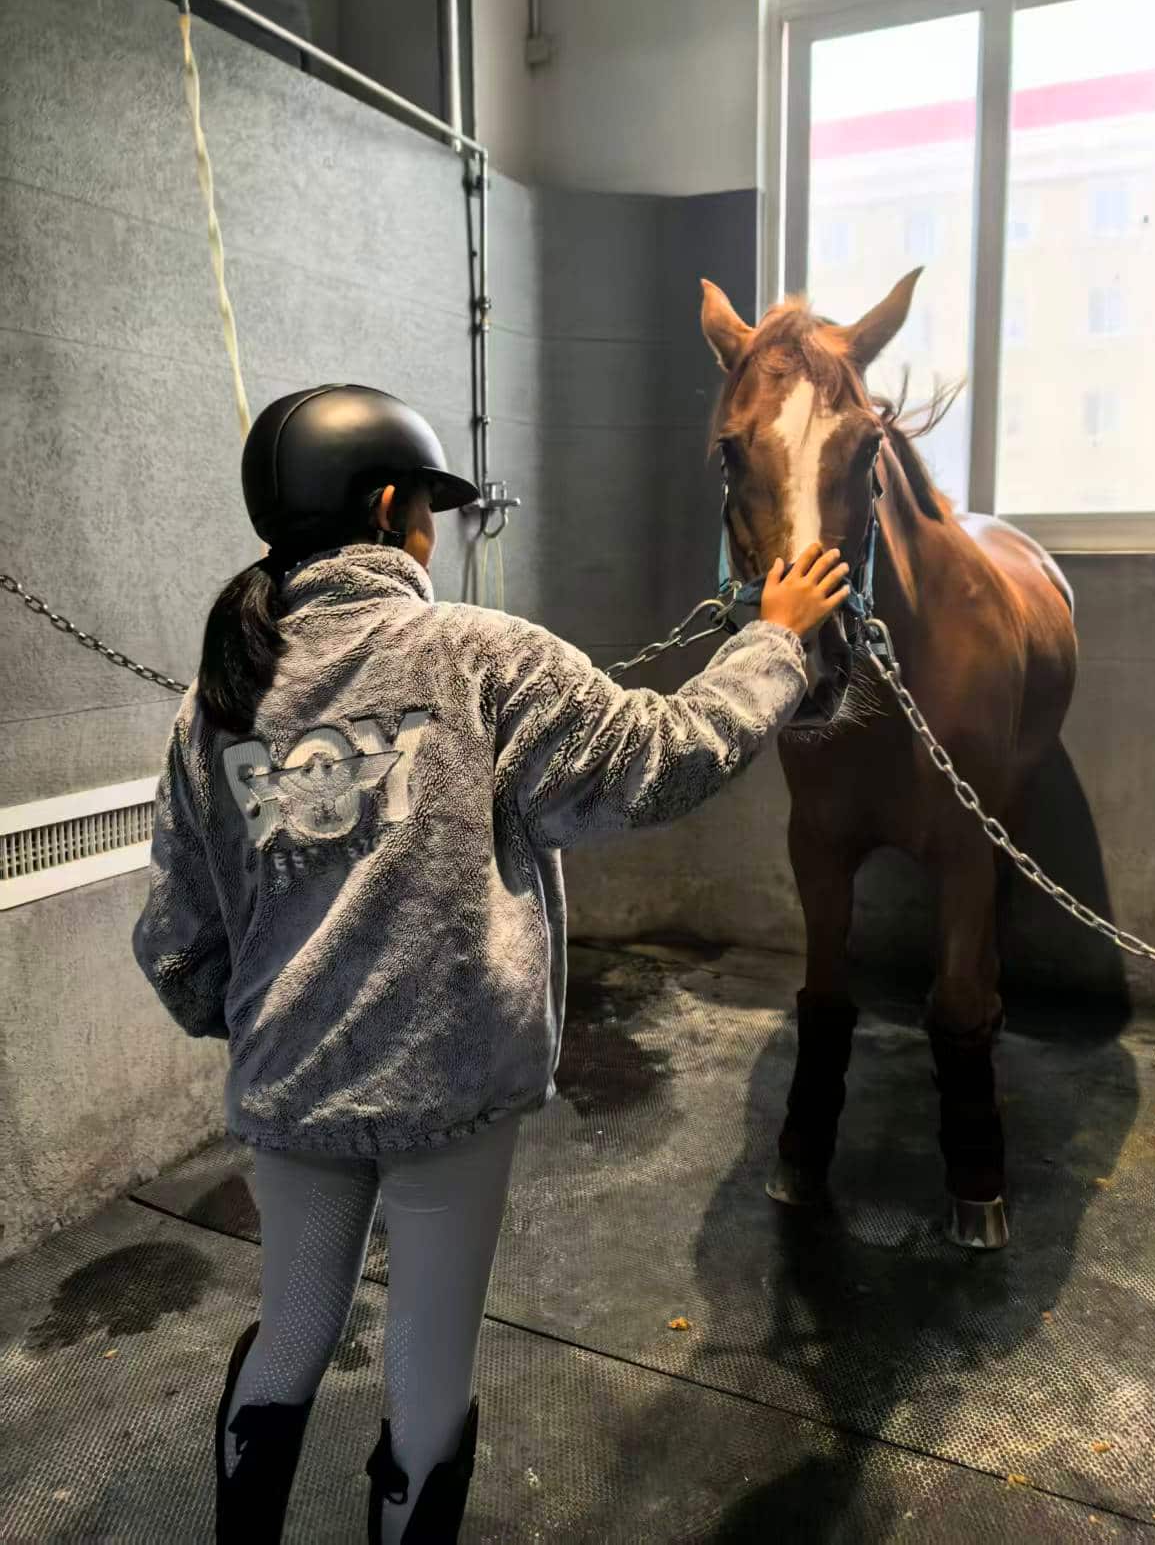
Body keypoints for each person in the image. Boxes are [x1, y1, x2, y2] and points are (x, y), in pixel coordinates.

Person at [132, 384, 850, 1544]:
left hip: (290, 1089)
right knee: (425, 1363)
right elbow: (659, 759)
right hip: (448, 1092)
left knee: (296, 1321)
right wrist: (770, 641)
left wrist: (268, 1017)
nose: (437, 529)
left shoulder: (212, 702)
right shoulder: (477, 655)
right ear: (386, 508)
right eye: (430, 507)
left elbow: (175, 934)